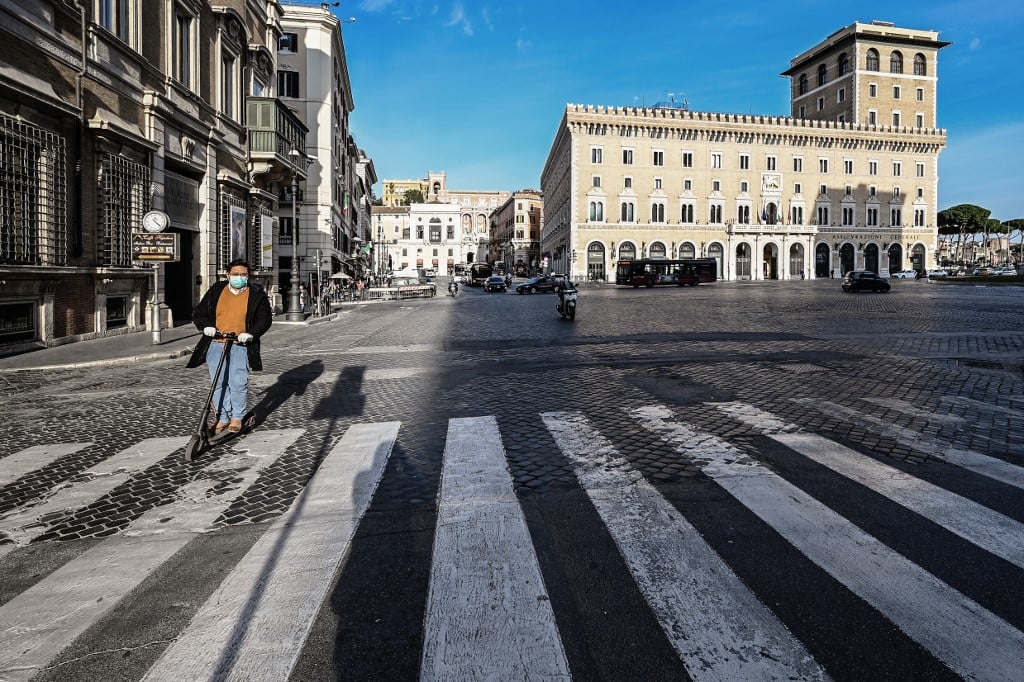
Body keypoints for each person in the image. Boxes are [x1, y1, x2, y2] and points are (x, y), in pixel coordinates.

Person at [187, 259, 272, 434]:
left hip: (240, 344)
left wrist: (251, 334)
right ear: (228, 275)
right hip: (216, 343)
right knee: (218, 382)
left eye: (243, 275)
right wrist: (206, 326)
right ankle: (223, 417)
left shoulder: (257, 294)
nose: (239, 278)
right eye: (235, 274)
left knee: (238, 382)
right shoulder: (216, 290)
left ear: (248, 276)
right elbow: (199, 313)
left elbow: (265, 319)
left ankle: (237, 417)